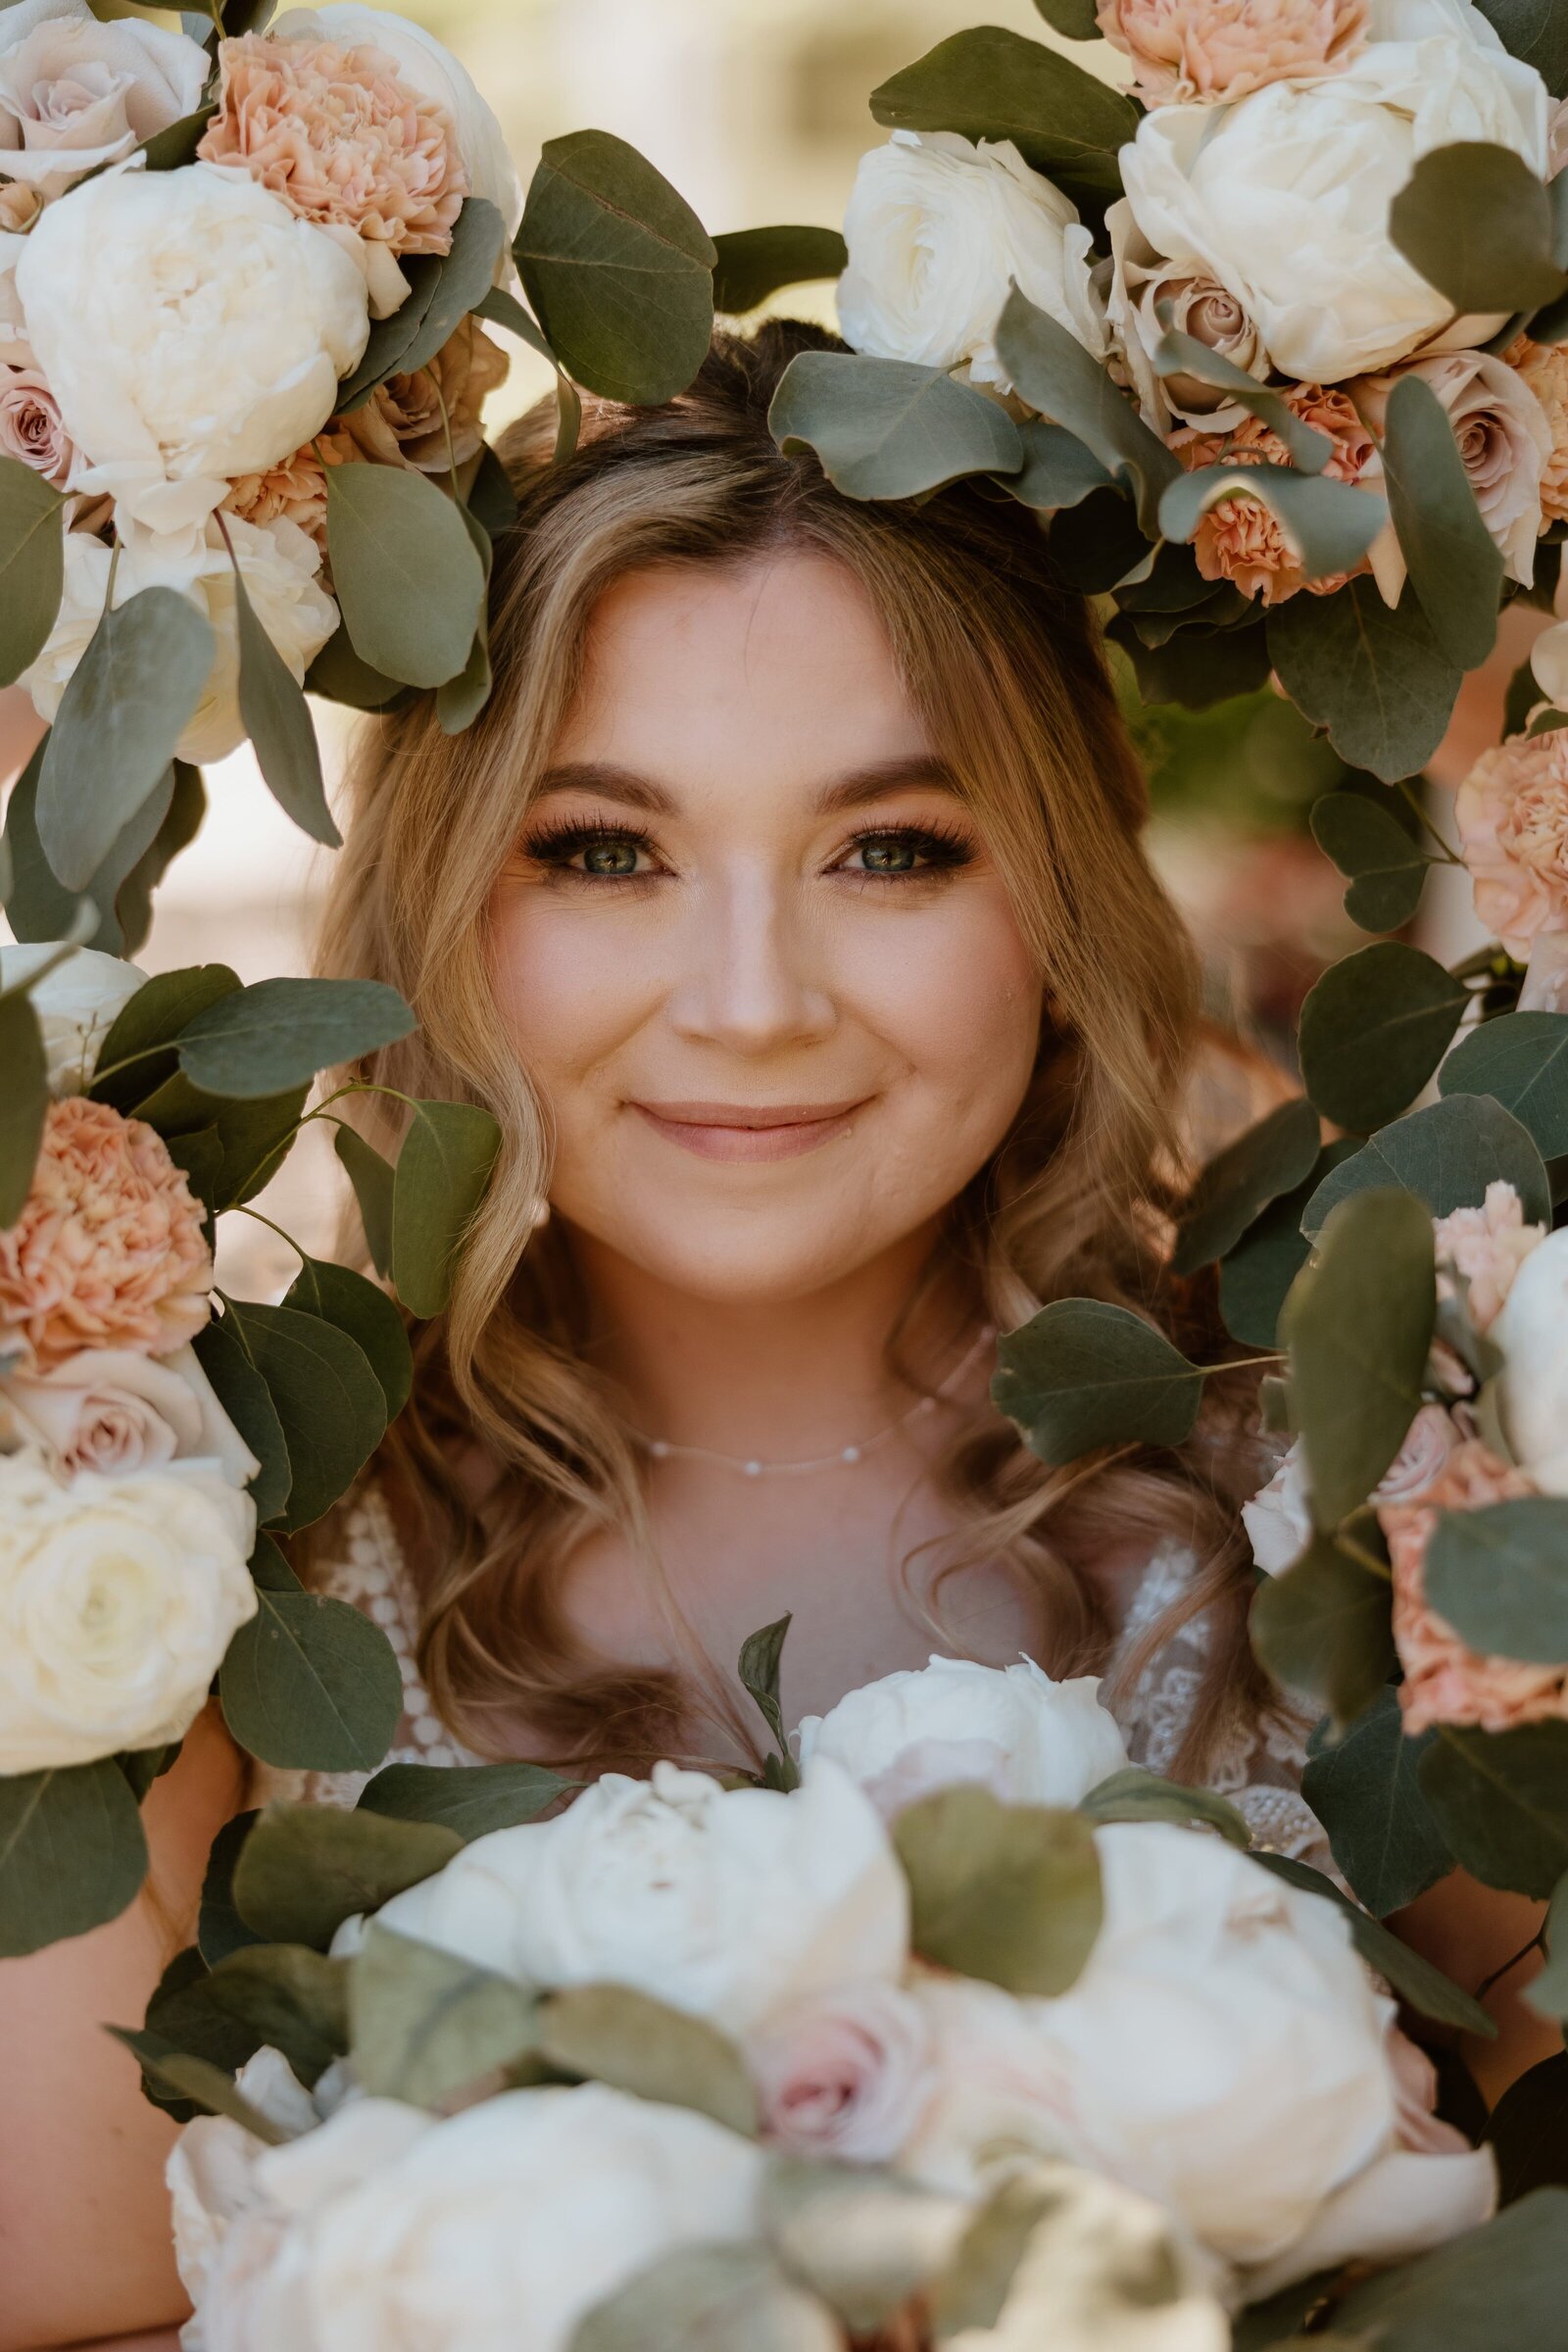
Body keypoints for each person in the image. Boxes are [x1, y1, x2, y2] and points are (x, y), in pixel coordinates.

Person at [0, 321, 1554, 2349]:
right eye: (603, 851)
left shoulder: (1386, 1519)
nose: (746, 999)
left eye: (888, 849)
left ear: (1054, 900)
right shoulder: (186, 1570)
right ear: (452, 897)